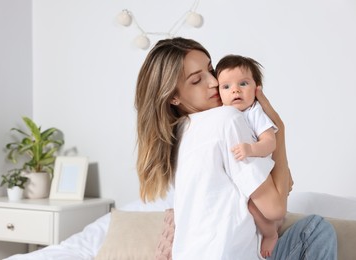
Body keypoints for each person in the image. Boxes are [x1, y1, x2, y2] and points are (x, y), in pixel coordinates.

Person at [135, 37, 337, 259]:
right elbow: (275, 209)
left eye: (211, 70)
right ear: (173, 96)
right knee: (316, 230)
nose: (213, 82)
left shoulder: (178, 134)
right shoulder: (226, 119)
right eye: (196, 80)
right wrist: (278, 127)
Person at [216, 54, 280, 258]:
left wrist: (251, 149)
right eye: (226, 87)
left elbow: (270, 142)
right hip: (238, 175)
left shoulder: (254, 112)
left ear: (256, 88)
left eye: (243, 83)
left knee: (254, 206)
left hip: (260, 174)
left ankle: (270, 234)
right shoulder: (221, 115)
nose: (235, 90)